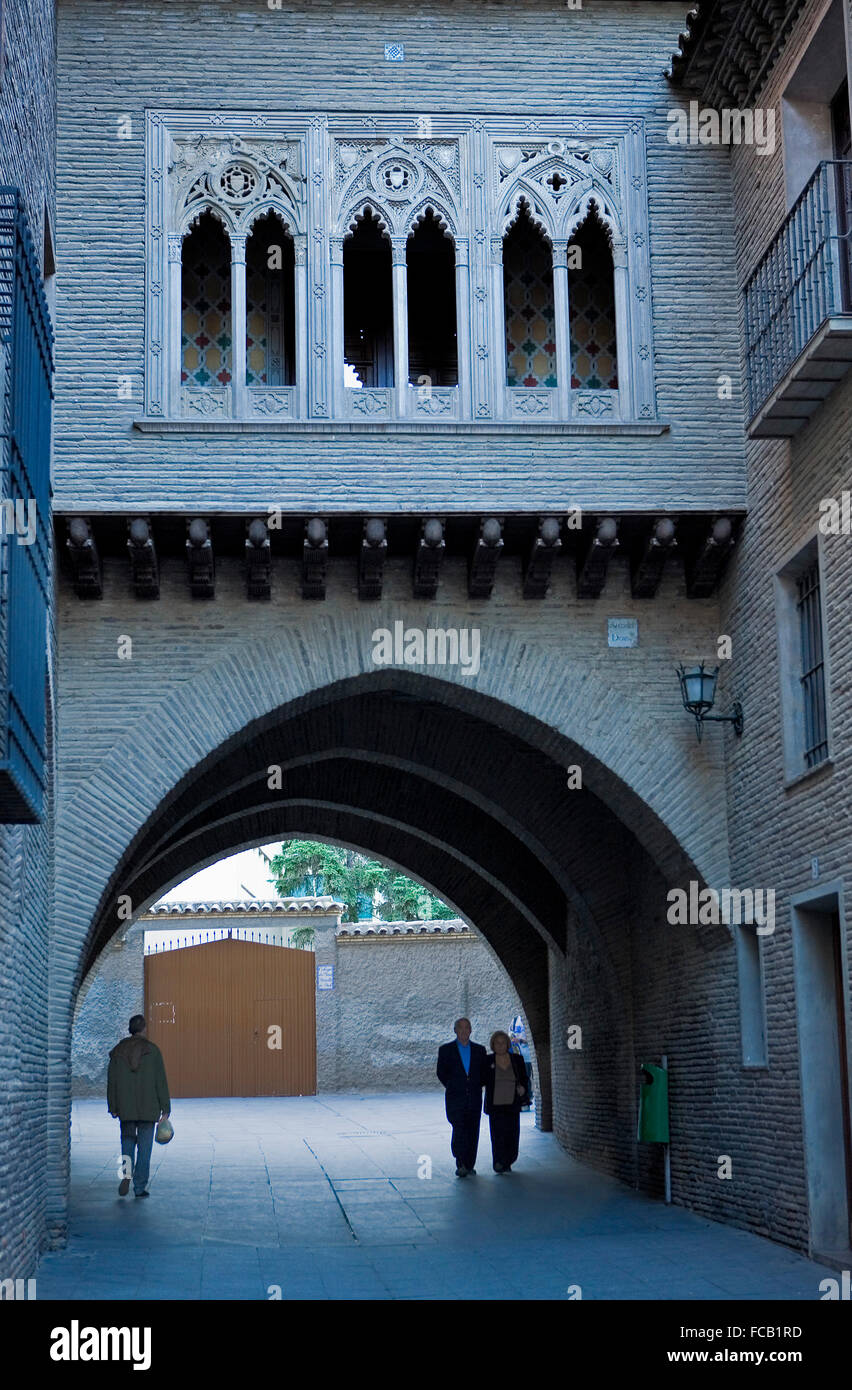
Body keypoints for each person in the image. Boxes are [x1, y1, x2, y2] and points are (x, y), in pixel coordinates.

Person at [107, 1014, 171, 1199]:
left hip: (125, 1109)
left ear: (130, 1029)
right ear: (144, 1029)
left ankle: (126, 1174)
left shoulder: (118, 1052)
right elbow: (161, 1082)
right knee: (145, 1148)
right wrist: (165, 1108)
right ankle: (140, 1187)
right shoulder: (153, 1051)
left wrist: (113, 1105)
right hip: (148, 1108)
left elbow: (112, 1082)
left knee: (126, 1143)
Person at [436, 1017, 487, 1177]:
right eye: (460, 1027)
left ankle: (470, 1164)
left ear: (471, 1030)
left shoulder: (480, 1050)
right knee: (459, 1128)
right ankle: (461, 1162)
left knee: (473, 1130)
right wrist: (454, 1086)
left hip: (474, 1097)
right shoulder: (446, 1050)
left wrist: (474, 1086)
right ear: (455, 1030)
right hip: (455, 1098)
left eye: (467, 1027)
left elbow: (484, 1073)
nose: (464, 1031)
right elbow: (441, 1073)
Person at [483, 1029, 529, 1173]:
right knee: (497, 1135)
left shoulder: (517, 1060)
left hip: (512, 1103)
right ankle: (498, 1162)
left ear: (508, 1044)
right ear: (493, 1045)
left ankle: (509, 1160)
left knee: (512, 1134)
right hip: (495, 1104)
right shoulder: (487, 1061)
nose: (500, 1045)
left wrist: (523, 1089)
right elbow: (482, 1079)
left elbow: (524, 1078)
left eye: (503, 1043)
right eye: (497, 1043)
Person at [509, 1016, 534, 1112]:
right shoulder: (514, 1020)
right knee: (523, 1079)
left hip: (531, 1055)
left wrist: (520, 1040)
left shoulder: (529, 1019)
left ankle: (529, 1099)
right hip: (520, 1056)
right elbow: (511, 1035)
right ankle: (524, 1102)